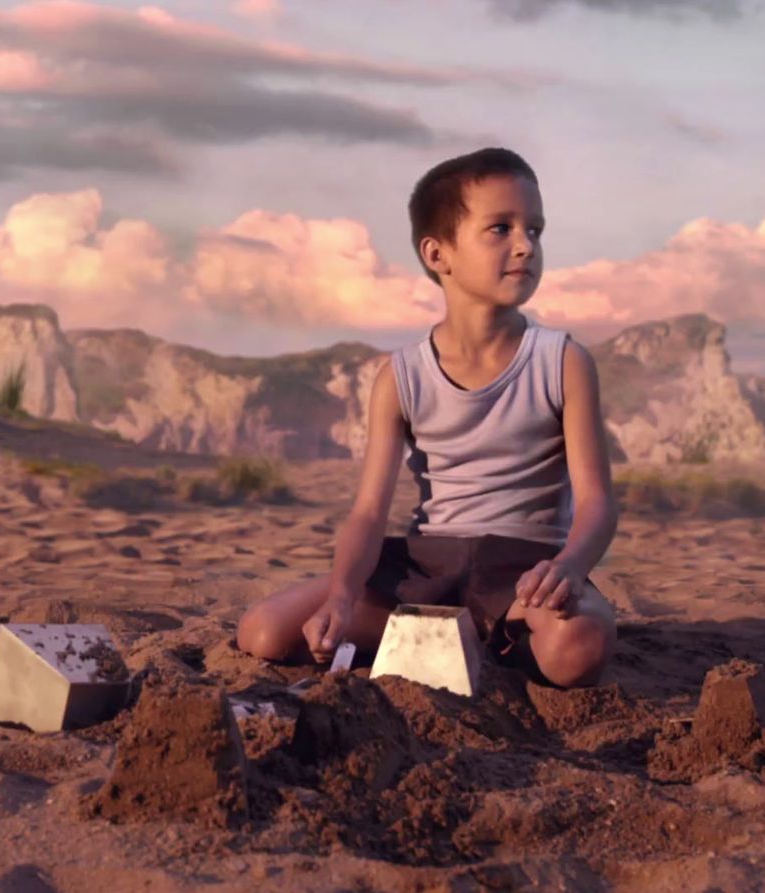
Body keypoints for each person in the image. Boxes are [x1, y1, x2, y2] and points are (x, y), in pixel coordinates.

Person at [236, 148, 619, 689]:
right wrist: (343, 595)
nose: (524, 245)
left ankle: (492, 636)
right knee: (265, 633)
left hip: (523, 571)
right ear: (439, 254)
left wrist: (570, 567)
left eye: (535, 229)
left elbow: (598, 503)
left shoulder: (563, 362)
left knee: (580, 648)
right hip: (424, 570)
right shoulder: (401, 377)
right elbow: (369, 513)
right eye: (500, 228)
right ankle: (453, 637)